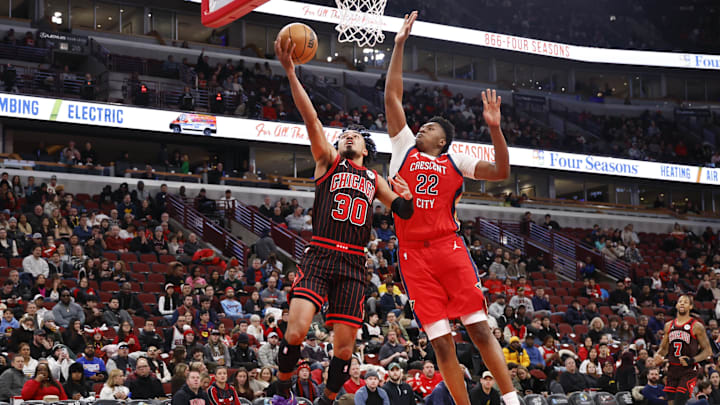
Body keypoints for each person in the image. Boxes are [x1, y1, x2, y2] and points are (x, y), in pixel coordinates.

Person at [271, 35, 414, 405]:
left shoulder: (374, 179)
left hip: (353, 260)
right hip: (320, 253)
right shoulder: (327, 162)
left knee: (346, 349)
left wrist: (408, 198)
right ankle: (283, 388)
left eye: (355, 136)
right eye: (343, 136)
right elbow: (311, 117)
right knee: (296, 332)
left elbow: (404, 211)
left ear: (366, 149)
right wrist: (290, 72)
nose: (348, 137)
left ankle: (328, 399)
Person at [384, 12, 516, 405]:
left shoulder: (456, 162)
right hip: (412, 255)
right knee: (441, 344)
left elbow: (502, 171)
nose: (422, 127)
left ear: (444, 141)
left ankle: (512, 401)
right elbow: (392, 96)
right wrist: (399, 45)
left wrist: (494, 128)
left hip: (448, 249)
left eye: (431, 127)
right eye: (421, 124)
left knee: (479, 331)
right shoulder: (402, 148)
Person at [653, 295, 712, 405]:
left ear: (690, 306)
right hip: (672, 370)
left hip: (688, 370)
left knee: (679, 401)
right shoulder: (668, 325)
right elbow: (664, 348)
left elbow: (708, 351)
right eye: (680, 301)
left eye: (685, 302)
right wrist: (658, 355)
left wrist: (692, 360)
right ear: (676, 305)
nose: (682, 303)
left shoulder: (697, 326)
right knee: (670, 402)